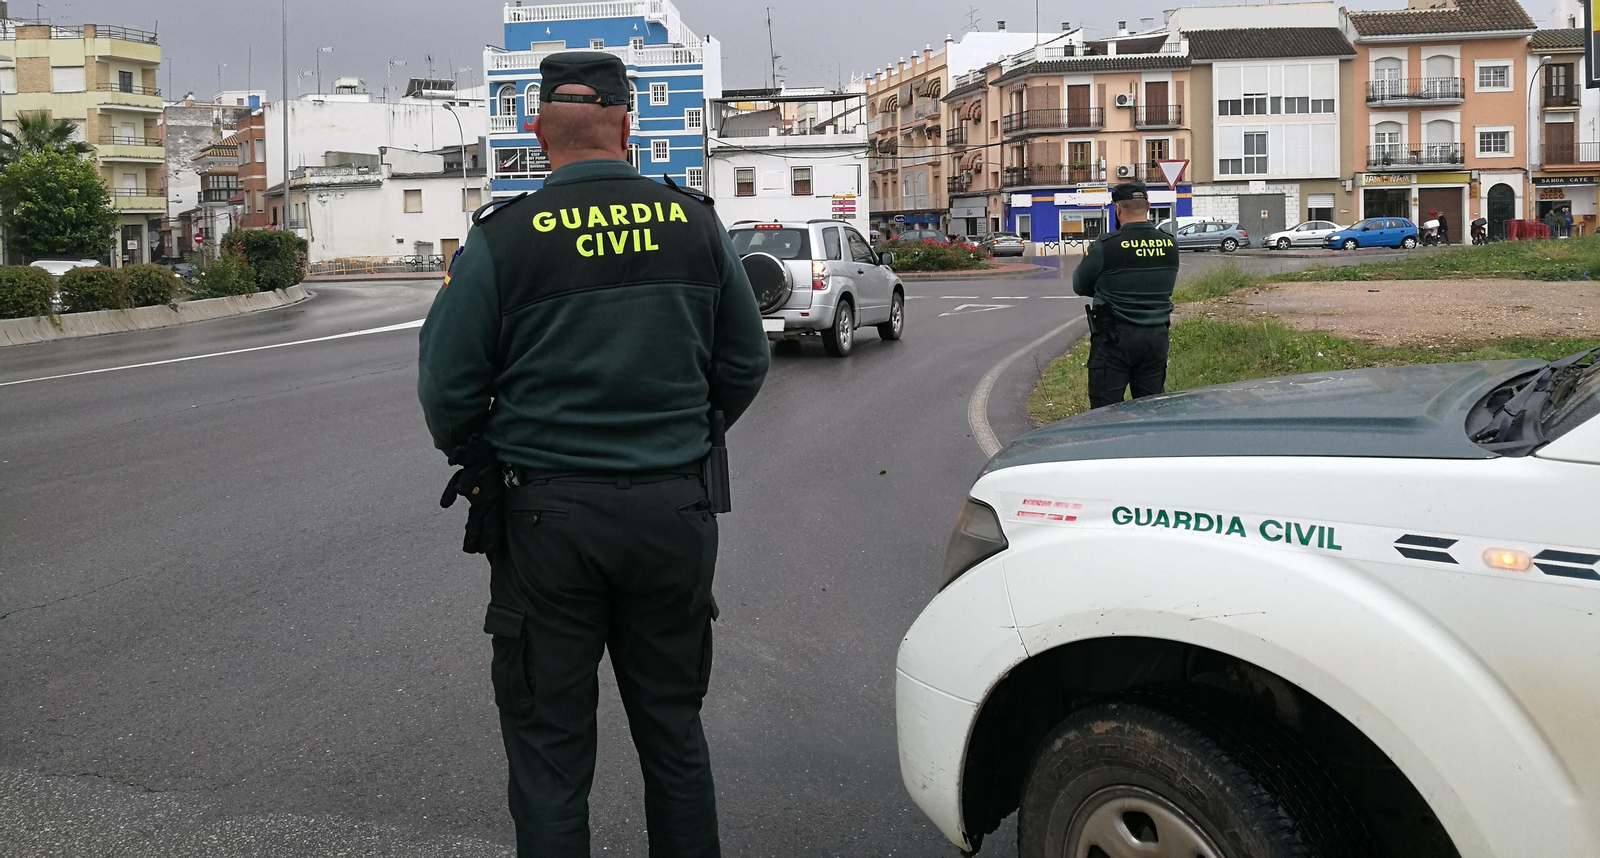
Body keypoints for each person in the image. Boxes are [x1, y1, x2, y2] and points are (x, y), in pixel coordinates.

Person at [416, 51, 770, 858]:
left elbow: (446, 388)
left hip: (548, 521)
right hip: (672, 511)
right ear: (629, 127)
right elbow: (746, 365)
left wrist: (483, 450)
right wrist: (682, 436)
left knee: (549, 754)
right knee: (675, 735)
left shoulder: (504, 240)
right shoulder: (695, 223)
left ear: (538, 132)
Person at [1072, 182, 1179, 409]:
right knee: (1151, 408)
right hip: (1156, 337)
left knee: (1105, 412)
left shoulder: (1105, 246)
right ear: (1148, 206)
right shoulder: (1170, 244)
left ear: (1118, 209)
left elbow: (1080, 285)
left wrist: (1108, 289)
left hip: (1114, 338)